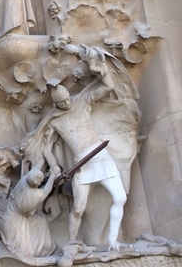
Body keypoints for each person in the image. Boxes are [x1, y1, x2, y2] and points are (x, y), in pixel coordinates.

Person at [25, 79, 127, 251]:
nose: (66, 103)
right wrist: (55, 167)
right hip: (82, 164)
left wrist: (101, 68)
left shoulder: (82, 101)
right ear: (55, 104)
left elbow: (108, 86)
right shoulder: (53, 120)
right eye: (61, 102)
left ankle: (113, 241)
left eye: (67, 99)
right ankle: (72, 242)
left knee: (120, 198)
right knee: (78, 208)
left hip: (102, 157)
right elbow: (46, 149)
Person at [0, 168, 57, 258]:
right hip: (14, 221)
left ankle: (47, 248)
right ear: (38, 183)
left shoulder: (23, 181)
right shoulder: (36, 194)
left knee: (41, 221)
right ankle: (45, 249)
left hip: (4, 213)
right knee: (22, 251)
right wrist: (53, 175)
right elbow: (46, 190)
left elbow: (35, 167)